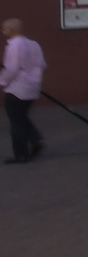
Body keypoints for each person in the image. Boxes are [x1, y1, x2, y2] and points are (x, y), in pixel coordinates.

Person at [1, 18, 47, 165]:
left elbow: (12, 69)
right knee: (21, 117)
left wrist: (2, 81)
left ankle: (21, 154)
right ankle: (36, 140)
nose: (3, 31)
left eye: (4, 28)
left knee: (16, 122)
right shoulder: (34, 44)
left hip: (17, 88)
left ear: (11, 30)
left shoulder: (14, 46)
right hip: (32, 87)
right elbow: (42, 65)